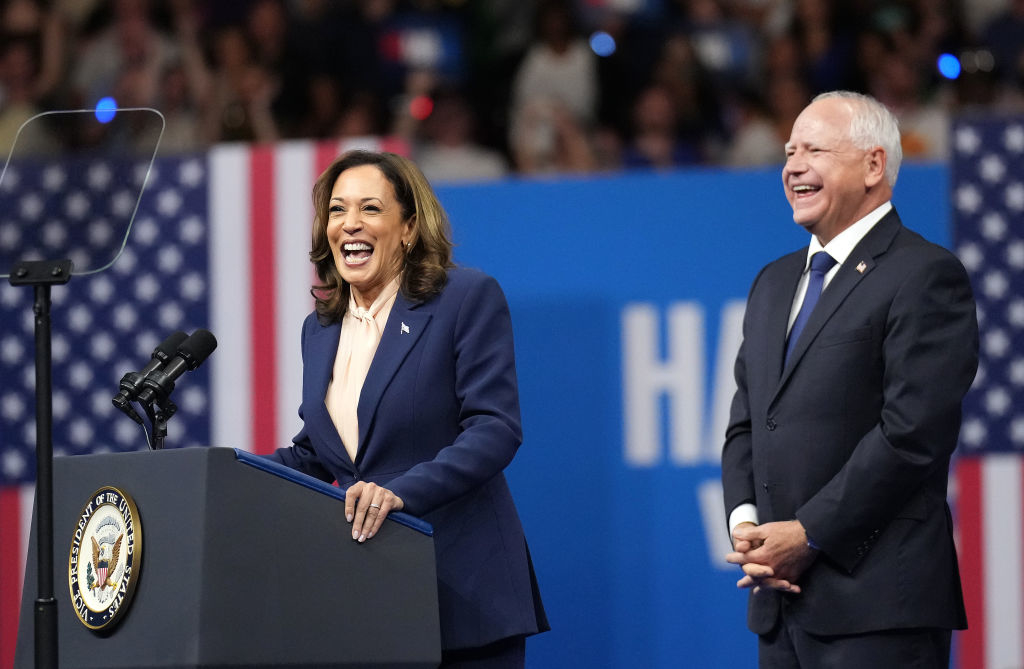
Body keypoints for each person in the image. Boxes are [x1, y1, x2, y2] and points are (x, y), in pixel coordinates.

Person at [721, 91, 978, 668]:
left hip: (879, 607)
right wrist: (749, 529)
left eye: (814, 149)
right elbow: (748, 424)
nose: (792, 165)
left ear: (873, 165)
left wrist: (807, 534)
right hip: (780, 605)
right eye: (789, 150)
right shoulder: (773, 281)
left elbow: (912, 435)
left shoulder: (925, 275)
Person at [268, 149, 548, 667]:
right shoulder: (320, 329)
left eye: (370, 209)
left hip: (462, 591)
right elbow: (319, 449)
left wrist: (397, 494)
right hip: (371, 600)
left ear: (409, 228)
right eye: (336, 210)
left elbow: (495, 428)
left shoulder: (463, 297)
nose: (349, 223)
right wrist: (226, 471)